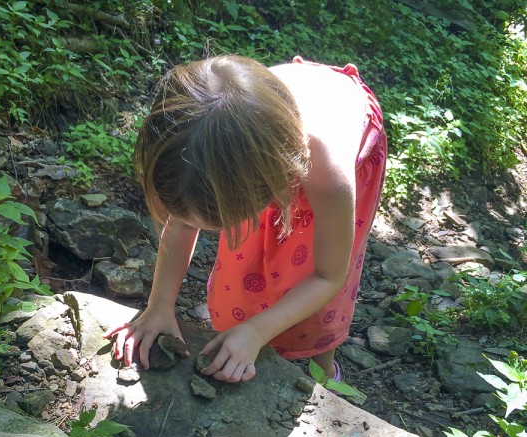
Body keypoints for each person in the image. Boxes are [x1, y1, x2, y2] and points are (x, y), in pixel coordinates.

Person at [105, 54, 387, 383]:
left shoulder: (329, 172)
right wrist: (159, 304)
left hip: (338, 136)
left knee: (320, 286)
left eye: (221, 221)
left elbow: (329, 276)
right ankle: (241, 335)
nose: (195, 225)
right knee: (244, 273)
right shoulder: (202, 143)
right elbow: (182, 222)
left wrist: (257, 331)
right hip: (270, 135)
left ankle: (325, 368)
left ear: (270, 188)